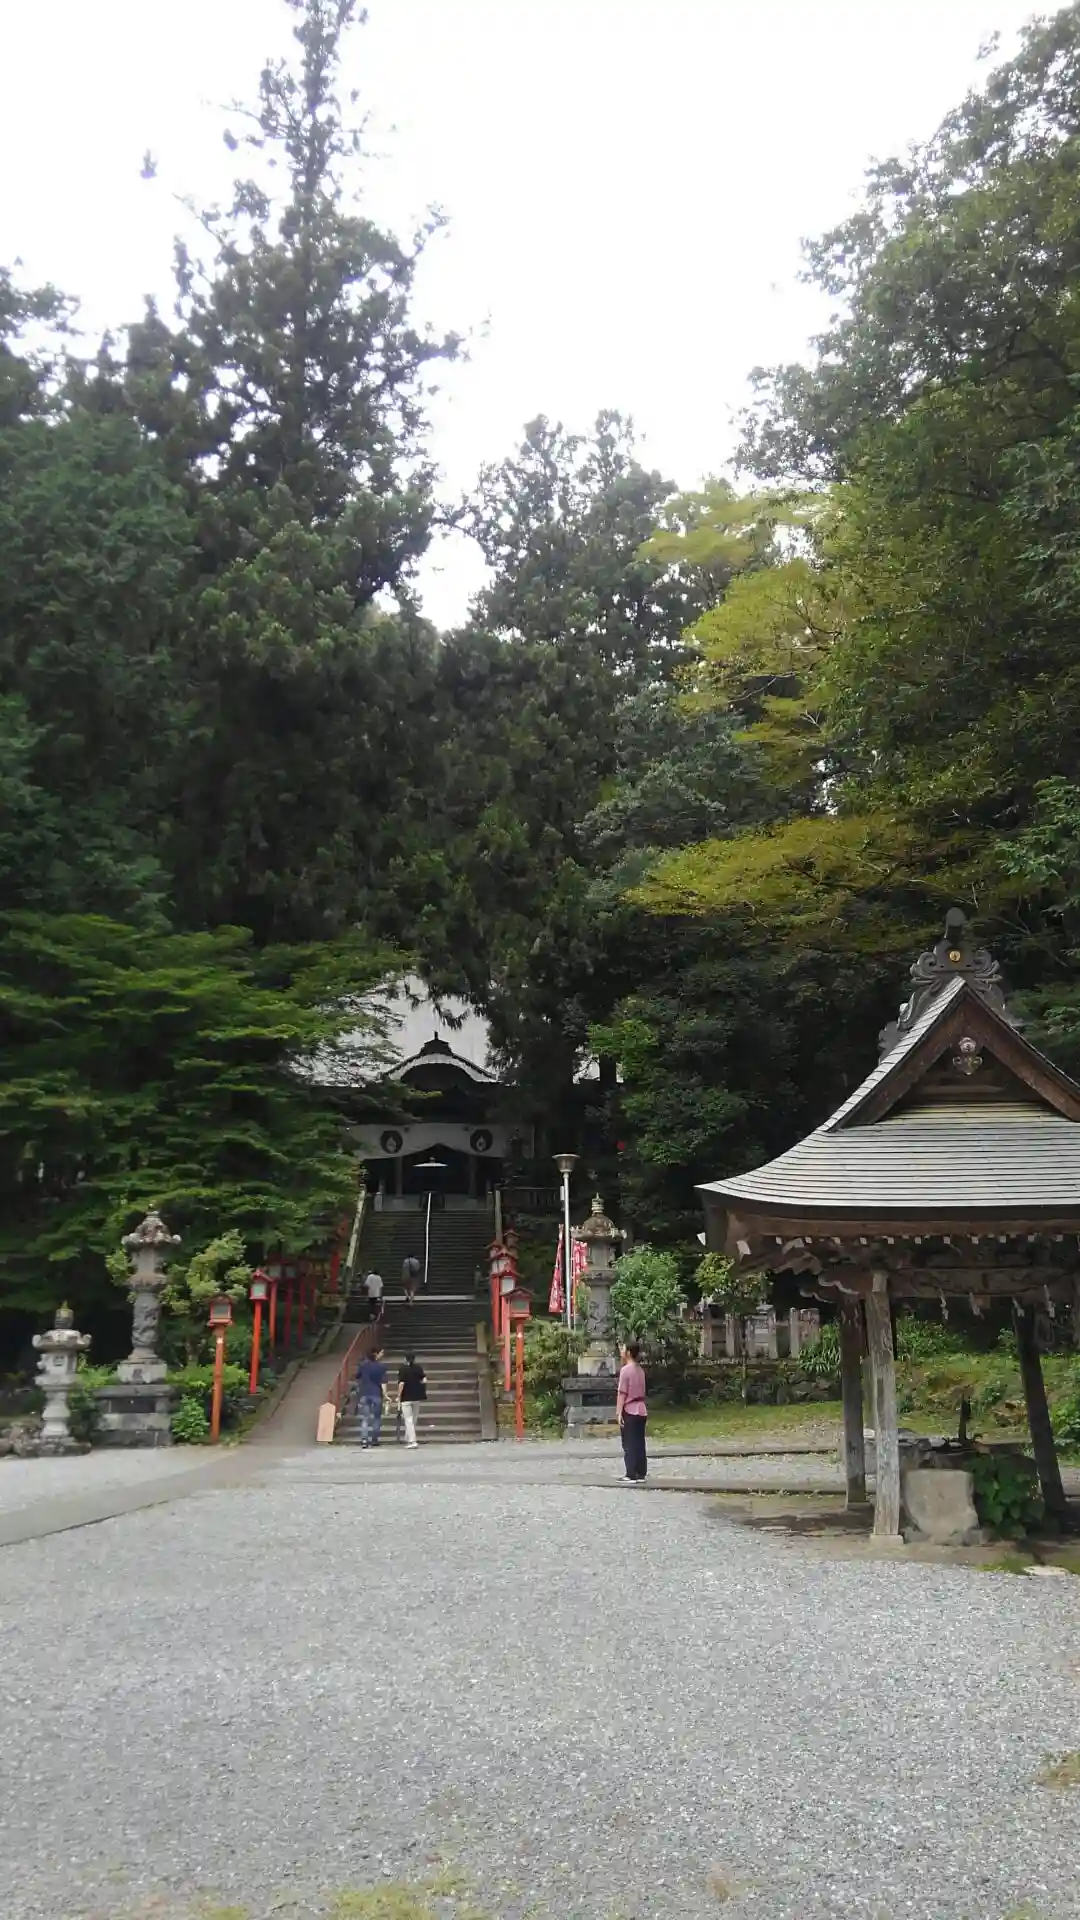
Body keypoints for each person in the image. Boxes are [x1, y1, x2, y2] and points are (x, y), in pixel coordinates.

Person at [616, 1339, 648, 1482]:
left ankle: (631, 1473)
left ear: (628, 1352)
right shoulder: (640, 1370)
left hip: (630, 1408)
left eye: (623, 1349)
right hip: (641, 1409)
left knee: (629, 1442)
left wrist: (619, 1412)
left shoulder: (625, 1370)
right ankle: (641, 1472)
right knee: (640, 1442)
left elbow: (622, 1393)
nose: (621, 1351)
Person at [355, 1345, 387, 1448]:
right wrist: (386, 1395)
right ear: (376, 1354)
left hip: (364, 1393)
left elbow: (357, 1376)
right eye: (381, 1353)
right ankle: (374, 1440)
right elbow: (383, 1382)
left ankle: (364, 1440)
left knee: (365, 1418)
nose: (382, 1355)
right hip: (376, 1393)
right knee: (377, 1418)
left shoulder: (363, 1365)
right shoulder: (381, 1367)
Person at [397, 1351, 427, 1448]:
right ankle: (408, 1437)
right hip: (417, 1396)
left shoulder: (402, 1369)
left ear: (405, 1359)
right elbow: (424, 1380)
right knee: (414, 1419)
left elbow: (401, 1384)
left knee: (408, 1419)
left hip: (406, 1397)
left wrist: (398, 1396)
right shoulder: (418, 1368)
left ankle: (412, 1441)